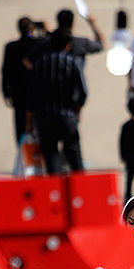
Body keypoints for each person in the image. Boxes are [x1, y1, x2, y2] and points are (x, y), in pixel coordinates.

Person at [27, 29, 85, 174]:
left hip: (44, 117)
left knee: (51, 157)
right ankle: (80, 191)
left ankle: (55, 193)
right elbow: (83, 92)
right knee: (75, 158)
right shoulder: (73, 62)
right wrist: (76, 111)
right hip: (67, 116)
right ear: (68, 45)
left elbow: (31, 95)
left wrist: (29, 122)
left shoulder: (39, 64)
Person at [1, 16, 37, 144]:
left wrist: (6, 92)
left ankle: (24, 154)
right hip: (37, 92)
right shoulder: (38, 44)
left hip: (19, 93)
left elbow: (5, 71)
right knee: (38, 128)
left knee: (21, 128)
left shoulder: (11, 47)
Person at [119, 96, 134, 199]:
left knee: (129, 179)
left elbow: (121, 142)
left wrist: (123, 155)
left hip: (129, 157)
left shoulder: (126, 125)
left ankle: (127, 196)